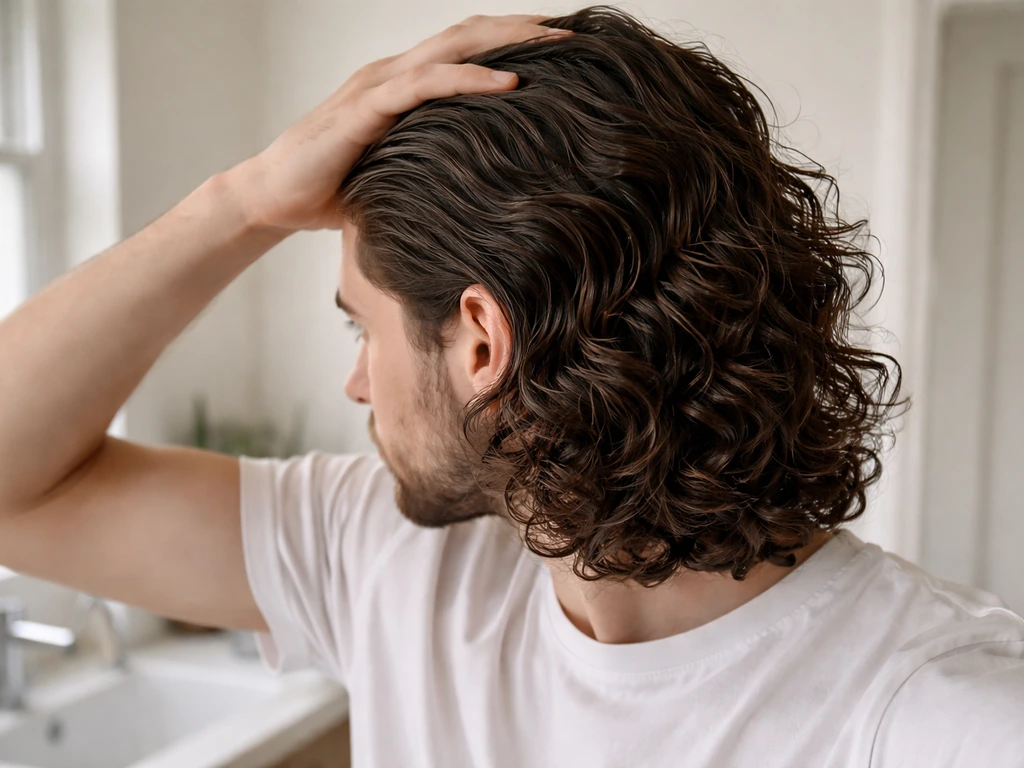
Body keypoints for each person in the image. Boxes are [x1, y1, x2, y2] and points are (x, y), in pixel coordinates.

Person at [0, 6, 1021, 767]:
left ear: (481, 343)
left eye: (364, 326)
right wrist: (245, 200)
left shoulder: (942, 719)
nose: (358, 382)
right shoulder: (389, 560)